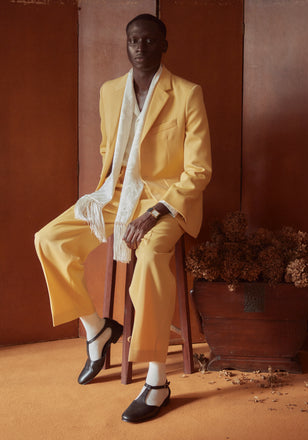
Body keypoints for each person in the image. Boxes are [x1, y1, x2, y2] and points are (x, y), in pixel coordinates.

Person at [34, 13, 211, 423]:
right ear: (126, 44)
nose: (141, 47)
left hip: (165, 203)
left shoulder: (187, 94)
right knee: (49, 239)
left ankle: (156, 381)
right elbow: (107, 152)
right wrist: (106, 193)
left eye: (150, 41)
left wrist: (154, 209)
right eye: (134, 40)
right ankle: (97, 330)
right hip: (115, 196)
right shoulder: (110, 91)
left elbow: (199, 170)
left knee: (149, 260)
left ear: (163, 45)